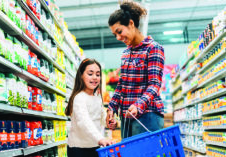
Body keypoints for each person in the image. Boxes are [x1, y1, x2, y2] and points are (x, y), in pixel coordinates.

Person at [106, 1, 165, 139]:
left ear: (131, 24)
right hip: (127, 117)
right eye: (115, 34)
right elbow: (122, 85)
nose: (118, 38)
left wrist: (139, 105)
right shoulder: (126, 53)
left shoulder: (153, 48)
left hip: (147, 115)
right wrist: (112, 107)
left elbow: (154, 84)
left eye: (119, 32)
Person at [65, 58, 114, 157]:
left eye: (98, 74)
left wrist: (108, 122)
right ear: (81, 76)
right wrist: (100, 138)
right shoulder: (79, 98)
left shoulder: (97, 97)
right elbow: (84, 122)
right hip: (78, 148)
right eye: (90, 74)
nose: (95, 77)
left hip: (94, 145)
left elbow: (100, 118)